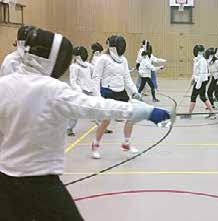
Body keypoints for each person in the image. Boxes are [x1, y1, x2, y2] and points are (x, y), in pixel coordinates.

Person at [0, 27, 171, 220]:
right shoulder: (53, 90)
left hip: (4, 182)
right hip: (41, 185)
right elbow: (97, 106)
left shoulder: (4, 84)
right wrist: (146, 111)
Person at [92, 35, 143, 159]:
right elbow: (96, 78)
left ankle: (126, 143)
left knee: (131, 116)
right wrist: (97, 96)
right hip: (108, 92)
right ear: (114, 46)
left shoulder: (123, 60)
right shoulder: (103, 59)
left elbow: (127, 78)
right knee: (106, 120)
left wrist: (135, 92)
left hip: (121, 92)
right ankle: (95, 145)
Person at [67, 46, 98, 136]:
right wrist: (79, 91)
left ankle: (101, 125)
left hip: (90, 90)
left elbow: (96, 71)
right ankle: (69, 128)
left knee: (98, 107)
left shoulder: (88, 65)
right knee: (76, 110)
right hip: (80, 91)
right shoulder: (74, 67)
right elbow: (73, 81)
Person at [183, 44, 216, 119]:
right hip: (198, 80)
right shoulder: (197, 59)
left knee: (193, 97)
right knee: (202, 97)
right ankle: (212, 112)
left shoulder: (202, 61)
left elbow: (202, 73)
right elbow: (195, 72)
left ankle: (189, 114)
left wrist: (198, 84)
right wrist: (193, 79)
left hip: (201, 81)